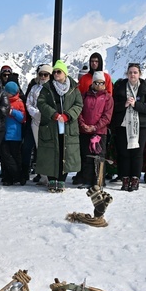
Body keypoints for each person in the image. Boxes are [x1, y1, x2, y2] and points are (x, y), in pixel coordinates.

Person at [36, 60, 83, 193]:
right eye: (54, 72)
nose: (55, 74)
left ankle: (62, 179)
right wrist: (53, 114)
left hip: (68, 126)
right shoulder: (47, 88)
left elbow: (79, 105)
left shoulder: (74, 88)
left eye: (58, 71)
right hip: (51, 125)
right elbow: (41, 103)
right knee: (51, 152)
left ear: (65, 73)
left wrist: (68, 115)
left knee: (65, 151)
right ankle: (52, 179)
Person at [111, 63, 146, 191]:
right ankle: (125, 178)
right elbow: (113, 106)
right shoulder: (120, 87)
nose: (132, 75)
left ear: (139, 74)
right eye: (130, 72)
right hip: (123, 124)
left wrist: (136, 104)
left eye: (135, 72)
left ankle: (135, 178)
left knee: (137, 153)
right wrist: (124, 104)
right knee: (124, 153)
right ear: (127, 73)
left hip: (141, 125)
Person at [77, 71, 114, 188]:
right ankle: (87, 180)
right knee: (86, 156)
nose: (99, 85)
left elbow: (107, 116)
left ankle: (99, 181)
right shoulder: (85, 96)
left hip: (99, 132)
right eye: (96, 83)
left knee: (99, 157)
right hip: (85, 131)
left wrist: (95, 127)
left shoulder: (108, 98)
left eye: (101, 83)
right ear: (92, 83)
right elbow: (80, 112)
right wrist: (83, 125)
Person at [25, 64, 52, 184]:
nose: (43, 76)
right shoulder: (34, 88)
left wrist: (46, 114)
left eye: (46, 74)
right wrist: (36, 114)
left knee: (48, 150)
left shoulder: (53, 89)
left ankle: (49, 176)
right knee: (39, 149)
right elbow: (28, 103)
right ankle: (42, 175)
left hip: (49, 123)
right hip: (35, 121)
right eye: (41, 74)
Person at [0, 81, 26, 185]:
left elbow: (23, 118)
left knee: (15, 156)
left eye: (8, 92)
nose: (6, 93)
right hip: (3, 133)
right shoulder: (2, 100)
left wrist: (12, 112)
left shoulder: (19, 102)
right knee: (5, 156)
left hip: (15, 134)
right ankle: (8, 177)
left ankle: (17, 175)